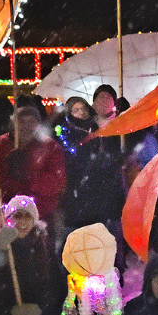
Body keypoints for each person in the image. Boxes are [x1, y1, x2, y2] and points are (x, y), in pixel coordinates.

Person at [0, 99, 68, 235]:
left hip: (41, 218)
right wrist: (7, 169)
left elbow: (57, 184)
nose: (26, 126)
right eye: (21, 121)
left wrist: (28, 173)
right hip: (6, 217)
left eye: (31, 122)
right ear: (13, 123)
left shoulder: (51, 147)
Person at [55, 96, 126, 235]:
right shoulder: (67, 132)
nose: (81, 112)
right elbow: (74, 159)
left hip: (101, 190)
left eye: (83, 108)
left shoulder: (97, 128)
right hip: (79, 191)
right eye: (76, 110)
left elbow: (112, 154)